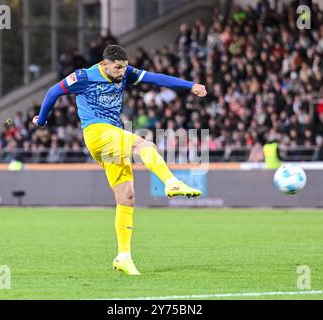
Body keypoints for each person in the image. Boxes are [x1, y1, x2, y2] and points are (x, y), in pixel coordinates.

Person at [32, 45, 207, 275]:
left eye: (124, 67)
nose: (122, 72)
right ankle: (170, 181)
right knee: (144, 144)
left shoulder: (126, 72)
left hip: (111, 138)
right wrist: (42, 121)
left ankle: (123, 257)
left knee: (127, 197)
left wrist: (190, 85)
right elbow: (53, 92)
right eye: (117, 67)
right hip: (96, 133)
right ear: (104, 64)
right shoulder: (84, 76)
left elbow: (156, 79)